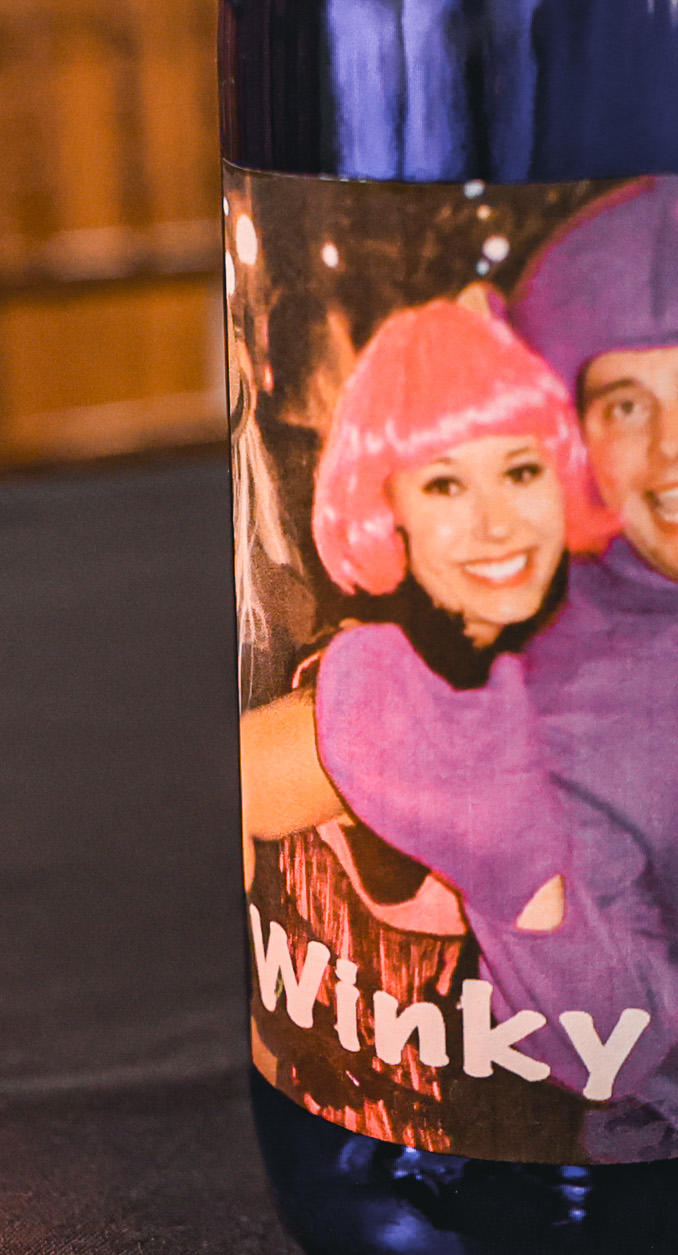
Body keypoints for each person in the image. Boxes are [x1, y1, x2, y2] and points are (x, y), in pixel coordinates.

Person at [310, 178, 678, 1163]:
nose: (672, 447)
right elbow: (616, 1043)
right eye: (624, 403)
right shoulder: (553, 708)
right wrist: (516, 871)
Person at [238, 292, 615, 1154]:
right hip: (367, 1154)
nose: (496, 523)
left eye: (521, 472)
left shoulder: (603, 686)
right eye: (446, 482)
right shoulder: (372, 688)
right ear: (387, 507)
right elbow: (252, 790)